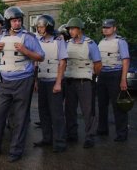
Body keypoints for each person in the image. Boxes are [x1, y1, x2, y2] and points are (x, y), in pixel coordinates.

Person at [0, 6, 44, 163]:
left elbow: (40, 57)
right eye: (14, 21)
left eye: (19, 21)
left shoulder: (28, 37)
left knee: (20, 118)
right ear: (8, 22)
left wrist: (25, 50)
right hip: (5, 82)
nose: (17, 23)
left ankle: (16, 150)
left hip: (23, 81)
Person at [64, 17, 102, 148]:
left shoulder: (90, 44)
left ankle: (90, 137)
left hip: (84, 81)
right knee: (69, 110)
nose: (70, 31)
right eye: (69, 29)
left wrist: (92, 76)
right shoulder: (67, 43)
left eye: (72, 29)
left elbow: (98, 64)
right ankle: (72, 134)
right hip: (70, 80)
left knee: (88, 110)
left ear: (79, 29)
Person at [34, 15, 67, 153]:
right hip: (42, 79)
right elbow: (35, 62)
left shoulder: (59, 41)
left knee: (57, 113)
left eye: (41, 26)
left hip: (54, 80)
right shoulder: (37, 40)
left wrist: (58, 83)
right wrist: (35, 80)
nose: (39, 29)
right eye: (38, 27)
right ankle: (47, 138)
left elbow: (63, 62)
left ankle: (59, 142)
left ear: (48, 26)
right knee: (43, 111)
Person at [97, 19, 130, 142]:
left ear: (114, 28)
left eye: (108, 27)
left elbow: (126, 60)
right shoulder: (101, 42)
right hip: (102, 74)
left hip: (115, 74)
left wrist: (123, 79)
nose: (105, 29)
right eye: (104, 27)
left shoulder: (120, 42)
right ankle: (102, 129)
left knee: (118, 106)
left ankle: (121, 133)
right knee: (101, 104)